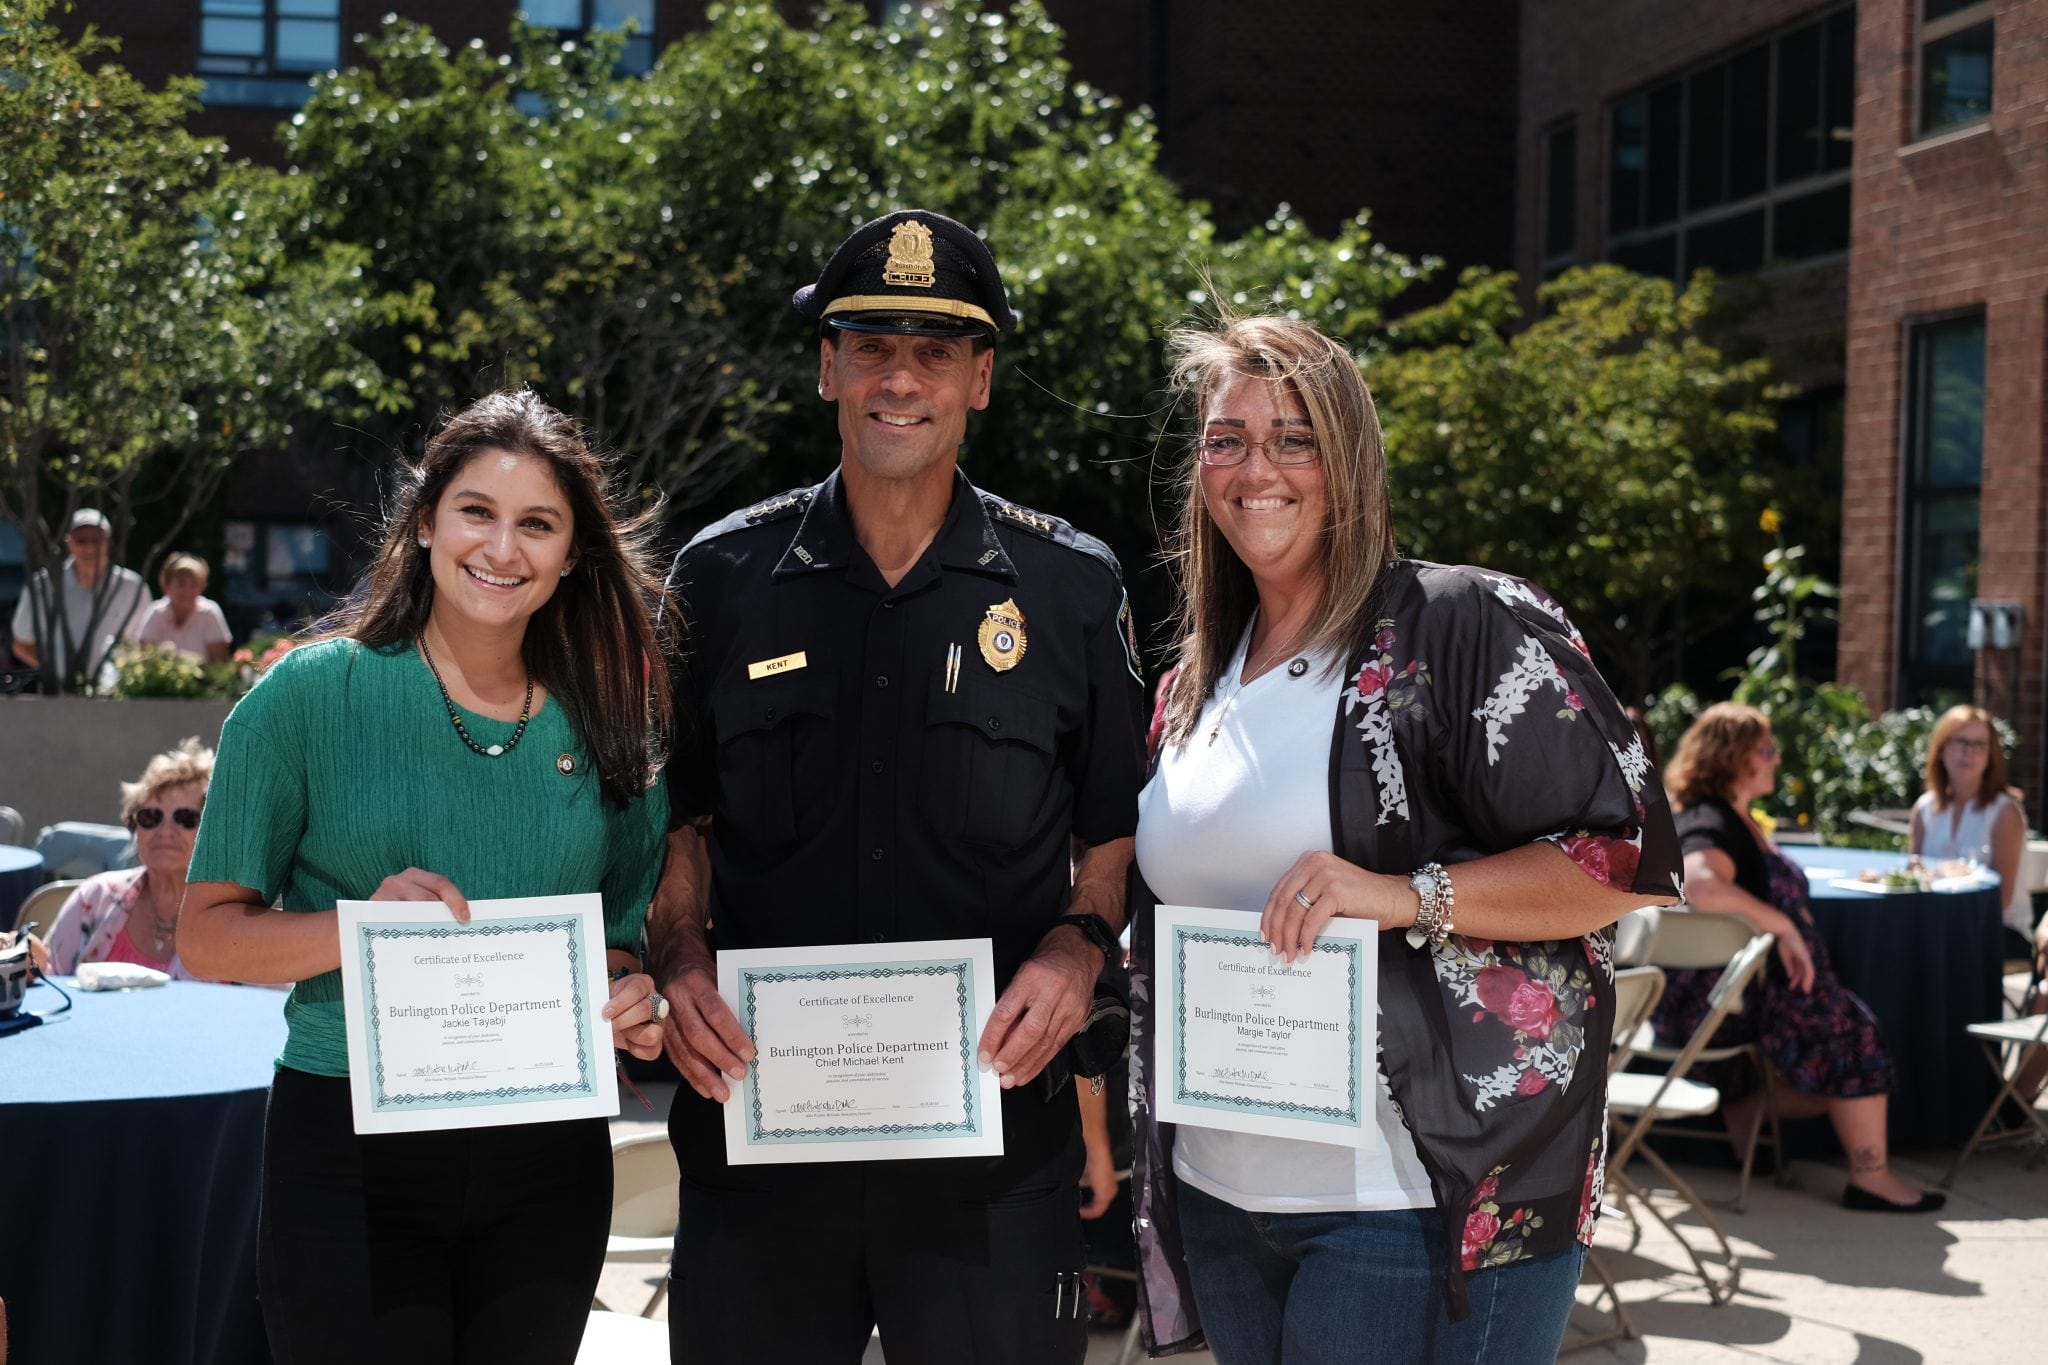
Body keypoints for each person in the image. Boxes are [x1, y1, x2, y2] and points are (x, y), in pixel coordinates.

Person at [1129, 312, 1683, 1363]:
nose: (1259, 468)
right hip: (1223, 1194)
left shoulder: (1457, 625)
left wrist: (1399, 893)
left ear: (1349, 458)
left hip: (1405, 1201)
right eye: (1226, 438)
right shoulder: (1191, 681)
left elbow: (1624, 860)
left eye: (1295, 438)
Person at [649, 209, 1146, 1365]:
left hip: (992, 1160)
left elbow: (1111, 837)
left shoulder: (1070, 587)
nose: (898, 378)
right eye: (870, 345)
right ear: (827, 366)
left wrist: (1075, 950)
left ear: (980, 379)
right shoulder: (718, 578)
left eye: (935, 350)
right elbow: (675, 820)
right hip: (759, 1143)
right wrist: (677, 953)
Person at [179, 390, 675, 1364]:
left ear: (572, 552)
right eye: (476, 513)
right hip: (351, 1155)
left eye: (537, 523)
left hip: (549, 1157)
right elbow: (207, 934)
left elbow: (616, 937)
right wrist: (362, 929)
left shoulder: (615, 719)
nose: (502, 547)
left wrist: (629, 996)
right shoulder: (308, 697)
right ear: (423, 524)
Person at [1656, 702, 1944, 1213]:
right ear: (1733, 758)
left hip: (1754, 988)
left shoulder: (1735, 817)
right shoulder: (1709, 819)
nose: (1776, 758)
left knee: (1855, 1028)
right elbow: (1701, 884)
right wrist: (1784, 923)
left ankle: (1752, 1108)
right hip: (1725, 997)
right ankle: (1869, 1175)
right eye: (1765, 750)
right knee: (1852, 1035)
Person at [42, 738, 213, 979]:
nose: (165, 831)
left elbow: (266, 1007)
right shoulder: (95, 896)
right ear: (135, 827)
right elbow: (48, 976)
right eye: (150, 817)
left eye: (185, 818)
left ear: (214, 831)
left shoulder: (231, 916)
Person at [1910, 705, 2032, 957]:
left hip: (1997, 930)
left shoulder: (2004, 812)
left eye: (1979, 745)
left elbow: (2001, 900)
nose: (1969, 753)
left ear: (1991, 757)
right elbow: (1914, 881)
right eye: (1961, 742)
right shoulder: (1923, 809)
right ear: (1941, 748)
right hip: (1937, 926)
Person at [9, 508, 152, 689]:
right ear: (69, 542)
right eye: (81, 540)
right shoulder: (43, 586)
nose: (89, 546)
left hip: (120, 694)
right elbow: (22, 643)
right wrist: (57, 673)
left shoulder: (134, 587)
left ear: (108, 541)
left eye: (96, 539)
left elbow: (146, 644)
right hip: (60, 693)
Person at [136, 553, 233, 663]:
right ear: (166, 585)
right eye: (181, 584)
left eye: (194, 584)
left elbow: (220, 664)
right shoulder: (156, 612)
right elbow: (144, 658)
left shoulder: (210, 612)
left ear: (202, 588)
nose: (187, 591)